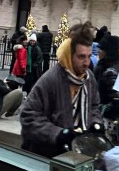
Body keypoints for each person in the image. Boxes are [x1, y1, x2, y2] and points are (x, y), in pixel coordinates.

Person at [20, 21, 104, 158]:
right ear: (69, 56)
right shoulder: (50, 79)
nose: (87, 62)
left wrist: (96, 122)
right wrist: (58, 134)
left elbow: (94, 106)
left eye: (89, 56)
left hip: (77, 153)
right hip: (46, 155)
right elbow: (28, 115)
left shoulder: (89, 78)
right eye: (81, 57)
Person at [94, 34, 119, 145]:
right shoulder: (109, 67)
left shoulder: (110, 72)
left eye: (101, 49)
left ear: (107, 51)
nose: (98, 51)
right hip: (110, 121)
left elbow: (117, 101)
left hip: (109, 124)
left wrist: (99, 109)